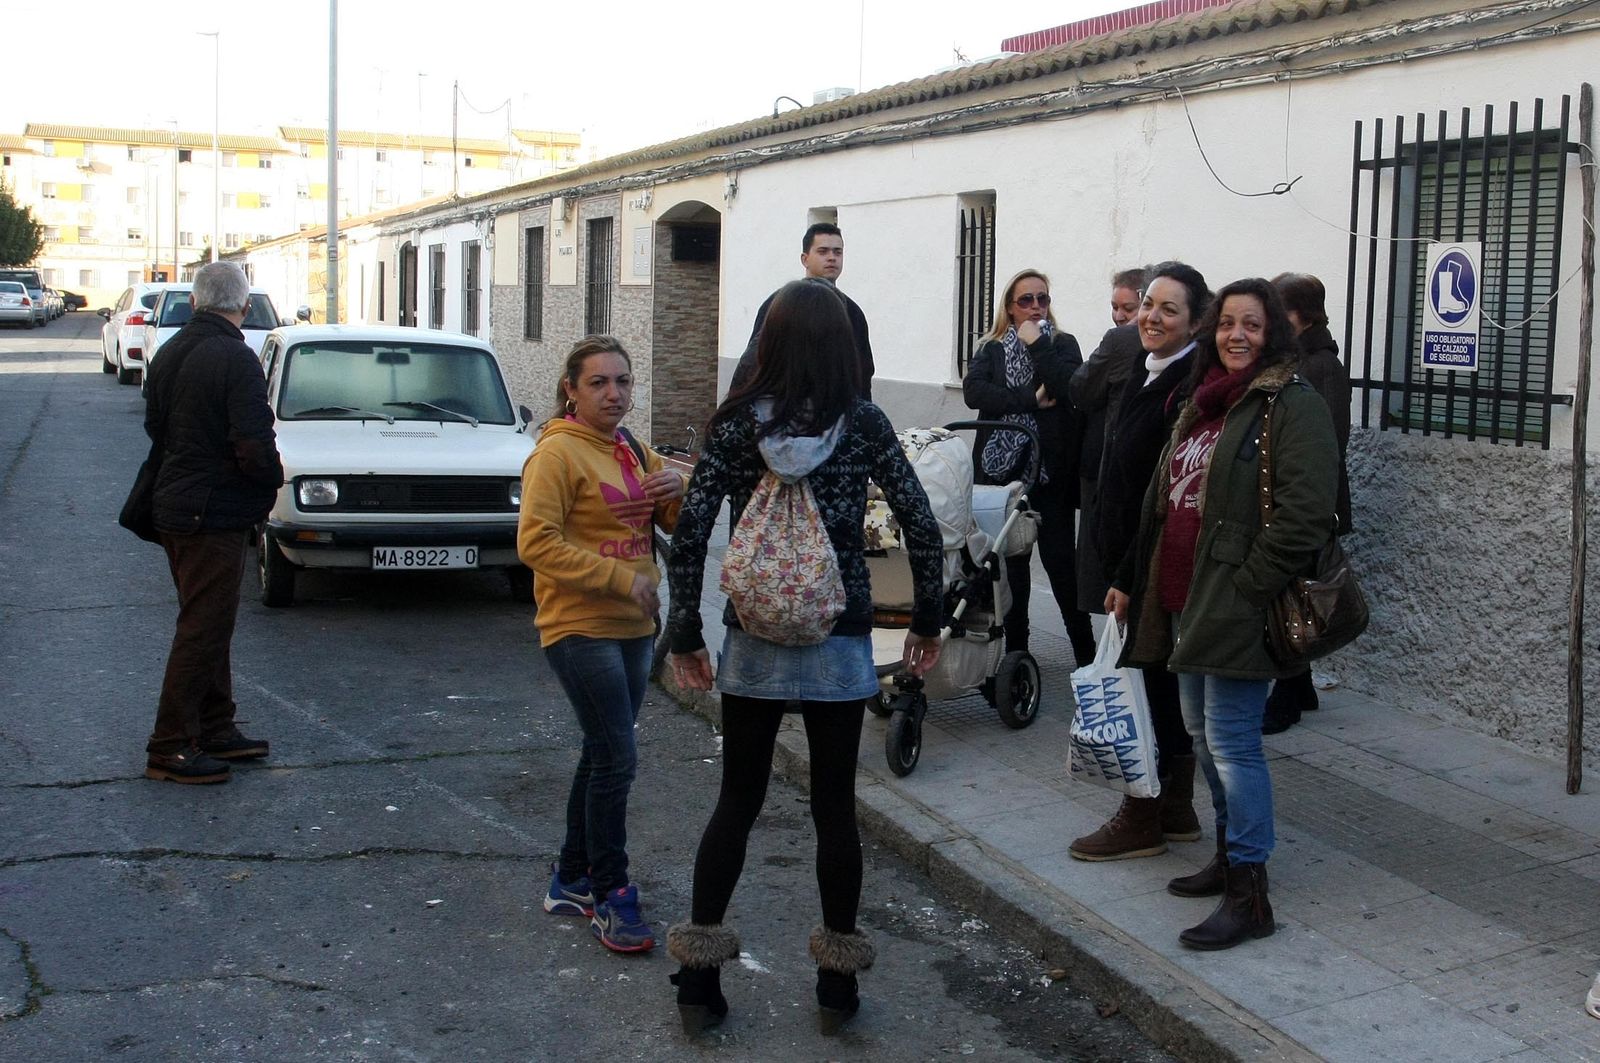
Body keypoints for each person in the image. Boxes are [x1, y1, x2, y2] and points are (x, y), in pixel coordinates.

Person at [665, 278, 943, 1035]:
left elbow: (690, 532)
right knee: (832, 809)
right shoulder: (864, 424)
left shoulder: (731, 426)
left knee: (738, 799)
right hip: (839, 632)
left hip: (755, 630)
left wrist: (685, 626)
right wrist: (927, 616)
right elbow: (921, 520)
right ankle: (836, 984)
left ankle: (697, 973)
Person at [1109, 278, 1339, 951]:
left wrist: (1248, 586)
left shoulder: (1291, 405)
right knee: (1202, 735)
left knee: (1235, 744)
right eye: (1227, 323)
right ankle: (1228, 853)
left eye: (1253, 325)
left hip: (1234, 603)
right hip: (1185, 598)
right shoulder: (1204, 400)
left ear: (1274, 335)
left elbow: (1305, 515)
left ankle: (1251, 892)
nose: (1237, 335)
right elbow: (1165, 498)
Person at [517, 335, 686, 954]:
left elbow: (653, 523)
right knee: (618, 758)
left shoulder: (631, 448)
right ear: (571, 389)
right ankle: (611, 893)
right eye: (598, 383)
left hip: (632, 629)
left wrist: (674, 498)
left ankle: (570, 877)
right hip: (578, 626)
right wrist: (620, 581)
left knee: (602, 751)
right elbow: (536, 543)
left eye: (622, 381)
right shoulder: (556, 457)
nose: (614, 393)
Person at [1070, 262, 1210, 861]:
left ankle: (1144, 812)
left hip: (1148, 567)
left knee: (1146, 687)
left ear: (1195, 322)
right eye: (1148, 305)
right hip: (1131, 560)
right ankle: (1176, 810)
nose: (1151, 317)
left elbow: (1162, 496)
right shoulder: (1150, 371)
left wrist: (1126, 577)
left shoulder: (1187, 386)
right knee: (1156, 681)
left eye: (1168, 309)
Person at [143, 261, 283, 785]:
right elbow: (253, 441)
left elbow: (155, 425)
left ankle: (216, 726)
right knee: (202, 628)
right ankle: (171, 745)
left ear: (197, 302)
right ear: (242, 308)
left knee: (209, 619)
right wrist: (270, 484)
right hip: (211, 512)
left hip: (174, 505)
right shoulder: (236, 357)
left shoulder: (171, 349)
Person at [961, 268, 1094, 664]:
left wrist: (1038, 347)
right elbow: (974, 392)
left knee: (1060, 566)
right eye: (1026, 300)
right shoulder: (991, 348)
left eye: (1043, 299)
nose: (1036, 306)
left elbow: (1068, 387)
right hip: (1002, 479)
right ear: (1009, 307)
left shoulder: (1064, 344)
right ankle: (1018, 654)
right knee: (1012, 568)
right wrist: (1028, 400)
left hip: (1048, 473)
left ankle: (1086, 658)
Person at [1261, 272, 1353, 734]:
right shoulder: (1297, 359)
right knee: (1296, 594)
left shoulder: (1321, 367)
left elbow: (1328, 444)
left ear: (1298, 313)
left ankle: (1287, 697)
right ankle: (1303, 687)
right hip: (1292, 500)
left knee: (1293, 598)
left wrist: (1308, 506)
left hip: (1307, 506)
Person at [1070, 266, 1150, 615]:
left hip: (1114, 464)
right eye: (1114, 308)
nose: (1119, 317)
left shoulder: (1121, 341)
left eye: (1127, 309)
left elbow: (1080, 387)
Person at [729, 222, 874, 398]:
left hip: (838, 411)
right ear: (805, 259)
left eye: (838, 252)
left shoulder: (852, 312)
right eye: (823, 251)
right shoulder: (779, 305)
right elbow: (754, 362)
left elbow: (863, 372)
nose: (832, 258)